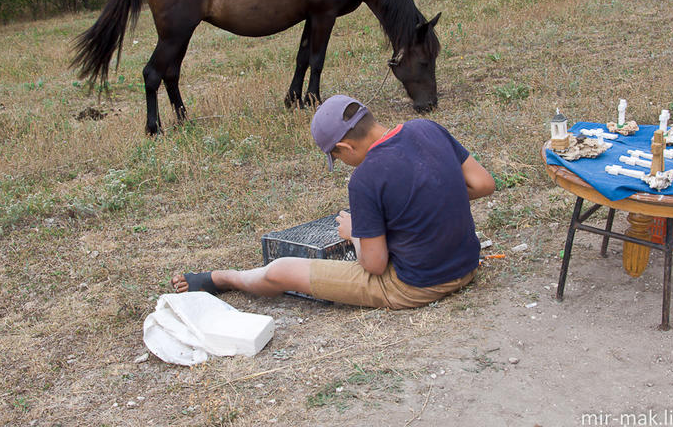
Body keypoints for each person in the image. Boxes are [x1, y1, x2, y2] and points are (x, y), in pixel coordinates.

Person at [171, 94, 495, 309]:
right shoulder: (427, 128)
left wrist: (354, 232)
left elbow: (374, 265)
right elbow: (483, 183)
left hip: (419, 286)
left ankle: (224, 278)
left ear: (344, 147)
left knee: (281, 270)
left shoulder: (366, 177)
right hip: (465, 267)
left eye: (336, 157)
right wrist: (426, 201)